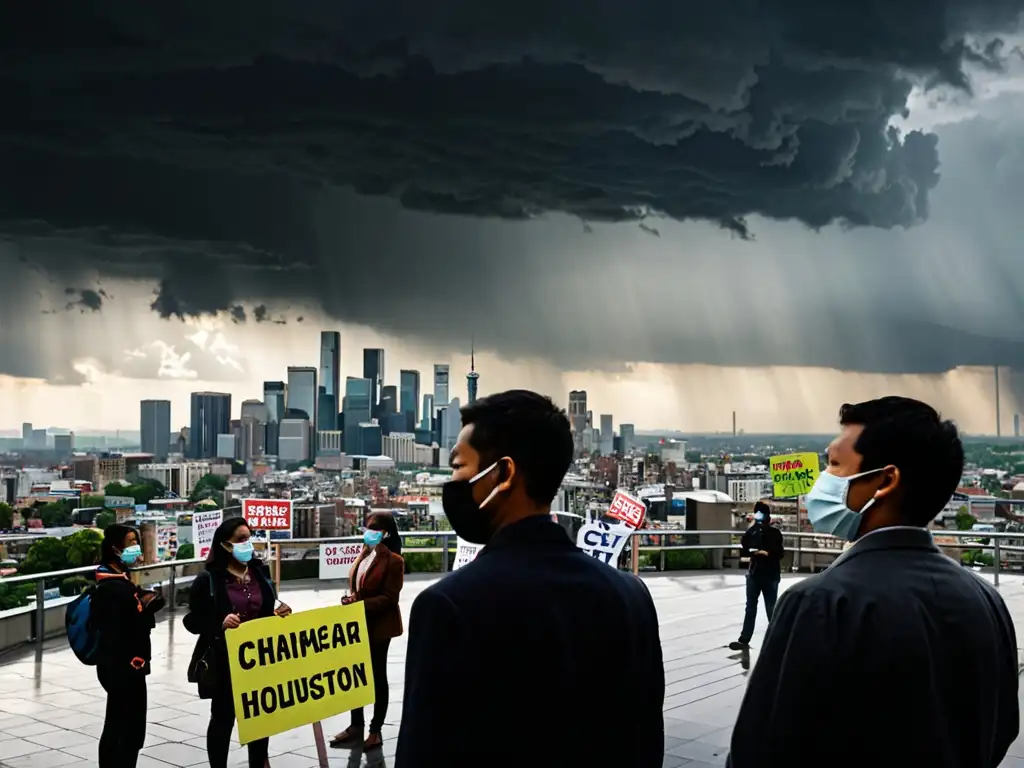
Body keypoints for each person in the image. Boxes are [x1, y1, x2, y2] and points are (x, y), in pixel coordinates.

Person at [727, 397, 1019, 767]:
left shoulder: (820, 602)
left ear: (885, 481)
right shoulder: (987, 600)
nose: (824, 479)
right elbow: (1004, 726)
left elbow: (761, 749)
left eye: (834, 464)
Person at [395, 390, 665, 768]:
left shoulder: (449, 607)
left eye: (458, 466)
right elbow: (647, 741)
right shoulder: (631, 595)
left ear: (504, 474)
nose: (452, 481)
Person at [183, 518, 292, 768]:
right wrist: (219, 622)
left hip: (260, 659)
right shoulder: (209, 579)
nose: (247, 544)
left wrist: (277, 614)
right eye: (240, 539)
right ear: (225, 546)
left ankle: (259, 762)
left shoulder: (259, 573)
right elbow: (192, 621)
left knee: (259, 717)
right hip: (225, 662)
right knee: (223, 718)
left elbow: (266, 608)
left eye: (249, 537)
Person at [91, 524, 165, 768]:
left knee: (123, 723)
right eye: (131, 542)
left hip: (128, 665)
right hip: (123, 667)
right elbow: (118, 630)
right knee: (124, 727)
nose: (136, 548)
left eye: (137, 542)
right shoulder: (110, 586)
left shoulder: (119, 579)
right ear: (115, 548)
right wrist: (144, 610)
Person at [330, 511, 405, 750]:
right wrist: (353, 599)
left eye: (373, 528)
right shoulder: (364, 554)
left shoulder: (394, 560)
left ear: (386, 533)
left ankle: (375, 730)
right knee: (356, 677)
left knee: (376, 677)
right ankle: (355, 726)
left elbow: (390, 598)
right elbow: (359, 586)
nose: (368, 532)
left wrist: (359, 604)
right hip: (358, 625)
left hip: (380, 627)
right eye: (366, 527)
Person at [729, 500, 784, 650]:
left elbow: (747, 547)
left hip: (759, 573)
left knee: (756, 607)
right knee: (768, 607)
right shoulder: (765, 532)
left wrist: (763, 551)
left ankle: (746, 638)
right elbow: (747, 547)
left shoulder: (760, 532)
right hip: (766, 574)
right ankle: (776, 639)